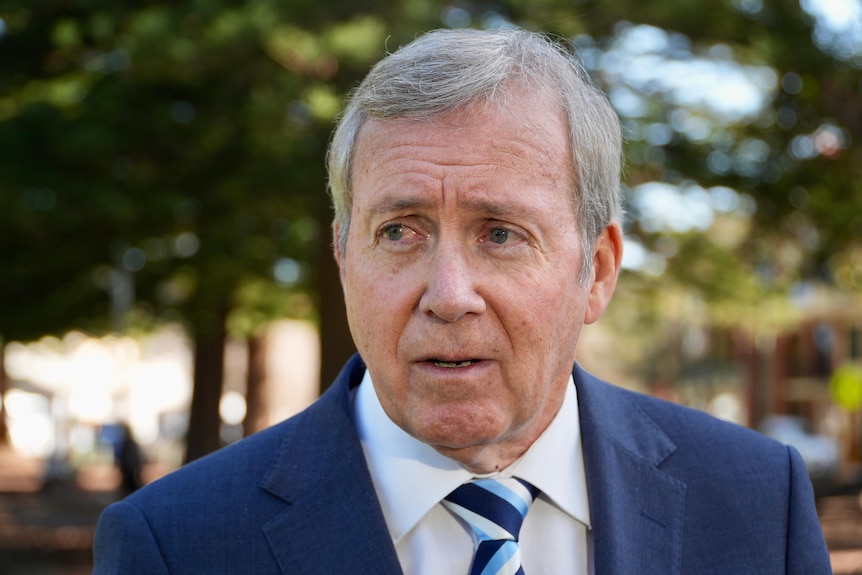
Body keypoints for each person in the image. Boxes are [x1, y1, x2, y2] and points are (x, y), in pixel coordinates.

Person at [93, 28, 832, 574]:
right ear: (345, 257)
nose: (448, 296)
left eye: (502, 233)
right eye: (399, 231)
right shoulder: (174, 543)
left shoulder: (760, 507)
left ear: (598, 271)